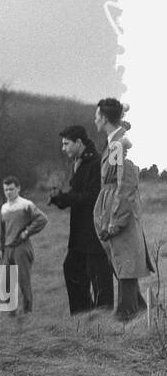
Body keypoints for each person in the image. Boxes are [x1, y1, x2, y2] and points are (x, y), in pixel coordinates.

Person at [92, 98, 153, 322]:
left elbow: (125, 185)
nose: (94, 119)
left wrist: (114, 221)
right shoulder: (114, 142)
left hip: (120, 215)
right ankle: (143, 318)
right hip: (111, 213)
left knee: (126, 267)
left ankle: (127, 320)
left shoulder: (120, 144)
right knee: (122, 268)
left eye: (97, 115)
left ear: (106, 118)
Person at [49, 125, 116, 315]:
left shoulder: (96, 163)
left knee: (99, 276)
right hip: (79, 233)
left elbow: (93, 197)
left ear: (79, 142)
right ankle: (82, 317)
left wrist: (67, 198)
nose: (63, 148)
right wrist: (60, 199)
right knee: (72, 268)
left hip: (95, 231)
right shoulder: (78, 162)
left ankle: (103, 318)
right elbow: (77, 195)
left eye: (66, 144)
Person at [0, 176, 48, 316]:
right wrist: (0, 249)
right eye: (6, 189)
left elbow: (42, 219)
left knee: (23, 281)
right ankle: (11, 314)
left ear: (18, 188)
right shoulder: (4, 208)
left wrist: (26, 232)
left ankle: (27, 313)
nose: (9, 192)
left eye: (11, 189)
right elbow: (3, 231)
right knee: (7, 282)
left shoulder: (26, 204)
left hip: (22, 248)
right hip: (8, 249)